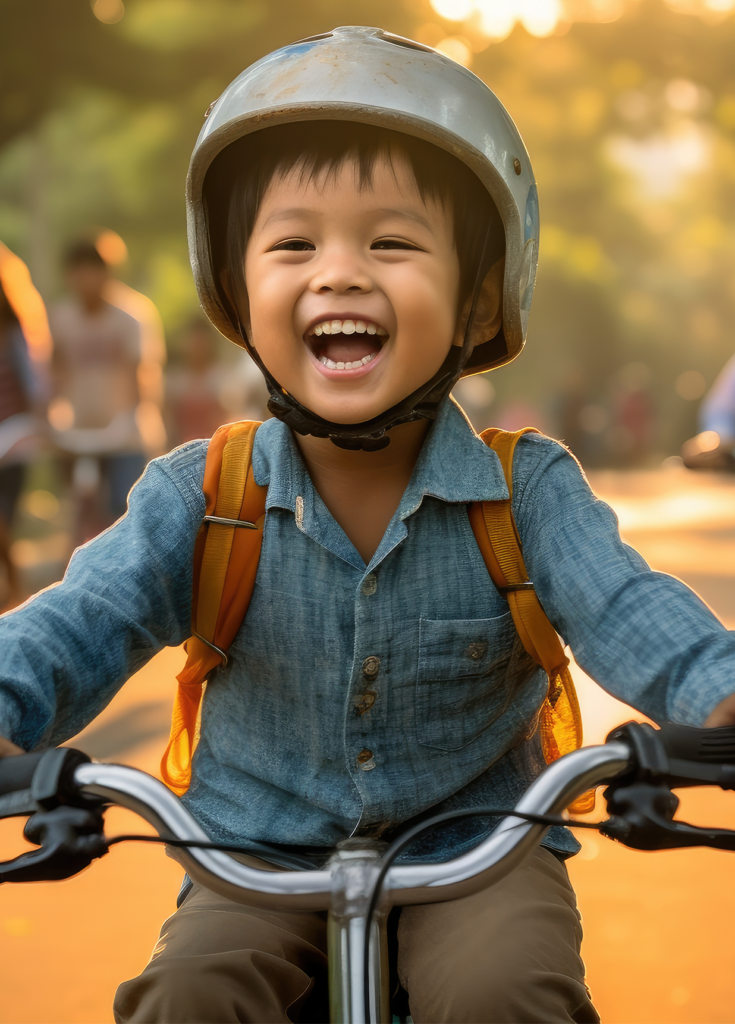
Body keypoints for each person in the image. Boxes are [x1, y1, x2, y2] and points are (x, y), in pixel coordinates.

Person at [1, 27, 735, 1024]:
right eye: (293, 244)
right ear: (236, 289)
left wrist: (719, 697)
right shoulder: (202, 494)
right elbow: (80, 618)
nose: (338, 272)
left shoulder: (525, 492)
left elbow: (629, 607)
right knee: (186, 997)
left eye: (390, 242)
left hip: (479, 849)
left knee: (506, 994)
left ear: (480, 298)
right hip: (249, 849)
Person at [48, 241, 151, 541]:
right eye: (78, 270)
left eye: (93, 269)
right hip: (79, 434)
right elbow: (54, 373)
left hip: (124, 435)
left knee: (125, 510)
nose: (85, 279)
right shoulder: (62, 317)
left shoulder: (130, 316)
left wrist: (132, 415)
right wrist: (51, 421)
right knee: (80, 511)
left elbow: (140, 375)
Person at [0, 280, 46, 605]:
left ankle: (15, 590)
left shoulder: (13, 334)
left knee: (4, 518)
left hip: (13, 437)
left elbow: (33, 385)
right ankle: (15, 588)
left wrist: (41, 428)